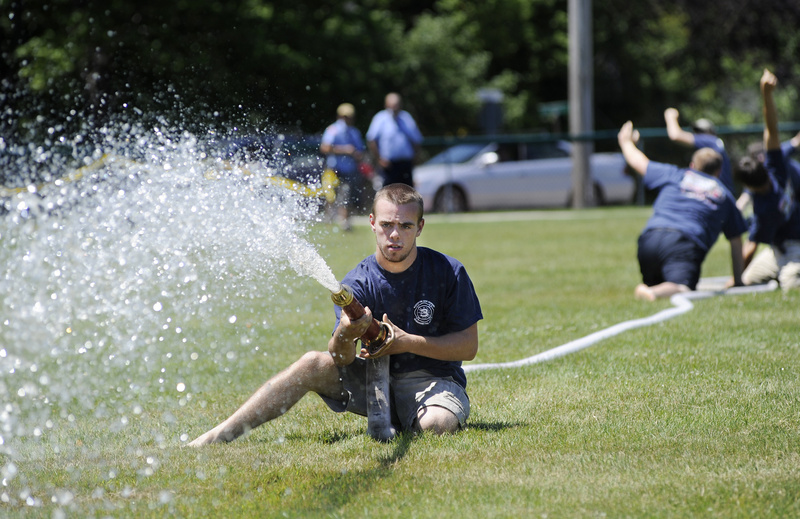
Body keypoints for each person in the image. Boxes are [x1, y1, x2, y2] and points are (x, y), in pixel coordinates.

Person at [189, 184, 482, 445]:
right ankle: (219, 434)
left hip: (432, 380)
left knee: (436, 425)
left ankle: (408, 419)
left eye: (405, 226)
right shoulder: (357, 283)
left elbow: (468, 347)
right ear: (371, 223)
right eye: (386, 224)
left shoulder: (448, 271)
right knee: (312, 363)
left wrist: (405, 342)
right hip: (373, 381)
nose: (395, 235)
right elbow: (342, 358)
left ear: (419, 227)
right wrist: (346, 334)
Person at [617, 121, 747, 301]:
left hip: (649, 238)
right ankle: (653, 292)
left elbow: (639, 162)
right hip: (684, 241)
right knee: (682, 288)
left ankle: (651, 288)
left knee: (660, 282)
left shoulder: (675, 174)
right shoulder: (724, 195)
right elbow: (736, 241)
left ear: (692, 165)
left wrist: (625, 142)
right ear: (718, 171)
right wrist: (738, 280)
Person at [734, 69, 800, 290]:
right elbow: (771, 130)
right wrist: (766, 94)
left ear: (748, 185)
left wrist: (735, 281)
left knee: (790, 284)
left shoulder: (764, 207)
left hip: (795, 247)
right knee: (751, 278)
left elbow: (751, 245)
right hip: (778, 248)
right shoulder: (776, 166)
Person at [664, 107, 736, 194]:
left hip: (719, 193)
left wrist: (670, 116)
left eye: (701, 131)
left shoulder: (711, 141)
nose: (698, 135)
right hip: (719, 191)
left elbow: (675, 135)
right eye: (696, 131)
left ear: (711, 132)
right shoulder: (714, 144)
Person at [320, 103, 366, 231]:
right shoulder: (332, 130)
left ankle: (344, 222)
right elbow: (325, 147)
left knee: (346, 196)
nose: (347, 120)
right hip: (333, 169)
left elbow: (360, 150)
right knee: (330, 196)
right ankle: (327, 221)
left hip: (350, 169)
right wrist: (345, 150)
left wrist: (357, 155)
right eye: (345, 116)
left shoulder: (354, 132)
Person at [366, 93, 423, 187]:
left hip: (406, 164)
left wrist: (415, 157)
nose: (394, 108)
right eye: (392, 105)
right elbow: (371, 140)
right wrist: (379, 159)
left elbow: (417, 139)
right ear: (386, 105)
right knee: (389, 194)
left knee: (407, 193)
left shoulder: (406, 117)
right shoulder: (380, 118)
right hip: (389, 165)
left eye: (396, 105)